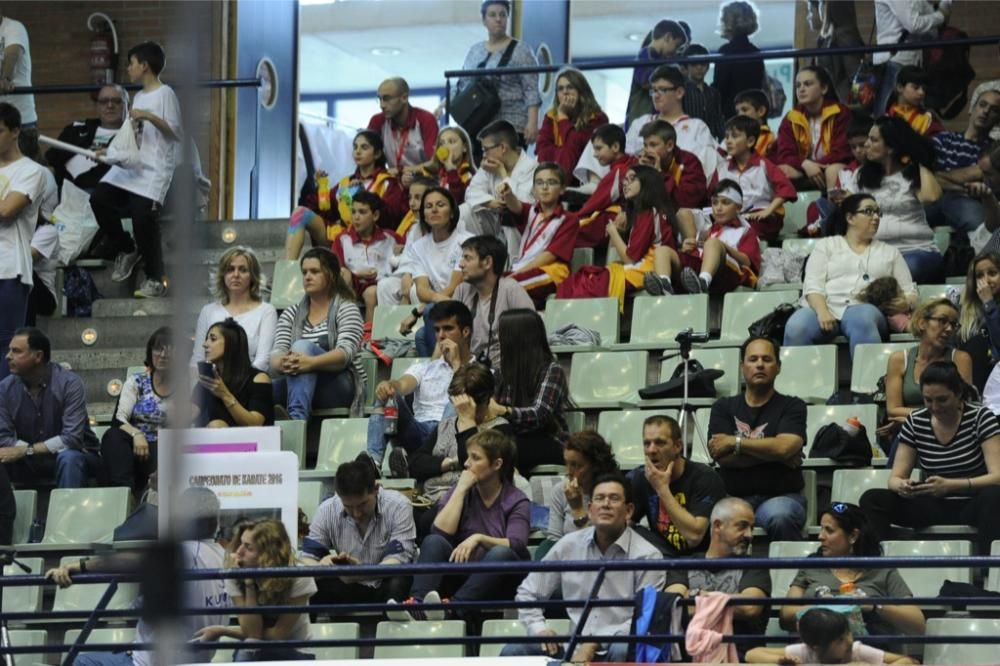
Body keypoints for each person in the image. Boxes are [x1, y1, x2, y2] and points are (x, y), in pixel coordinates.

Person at [49, 487, 231, 666]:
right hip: (192, 660)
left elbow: (129, 562)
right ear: (216, 522)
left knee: (81, 662)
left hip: (152, 662)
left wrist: (79, 566)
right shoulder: (224, 556)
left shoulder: (185, 553)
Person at [501, 473, 665, 662]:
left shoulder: (647, 556)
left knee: (624, 648)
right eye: (599, 498)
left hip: (617, 647)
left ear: (628, 511)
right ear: (590, 509)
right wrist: (540, 630)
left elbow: (643, 618)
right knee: (513, 650)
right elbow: (528, 592)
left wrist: (594, 643)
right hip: (572, 648)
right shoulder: (569, 545)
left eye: (614, 498)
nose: (605, 504)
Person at [388, 430, 529, 621]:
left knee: (500, 553)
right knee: (434, 541)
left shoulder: (516, 500)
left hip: (502, 579)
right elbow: (439, 532)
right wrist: (461, 489)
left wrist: (479, 538)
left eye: (475, 458)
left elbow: (517, 545)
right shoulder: (462, 490)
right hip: (464, 572)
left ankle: (455, 608)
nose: (466, 464)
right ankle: (418, 605)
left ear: (497, 464)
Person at [862, 361, 1000, 552]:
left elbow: (997, 476)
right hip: (933, 502)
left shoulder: (981, 417)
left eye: (942, 400)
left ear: (959, 393)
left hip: (973, 502)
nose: (934, 407)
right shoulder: (916, 420)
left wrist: (951, 485)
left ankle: (990, 571)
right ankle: (883, 566)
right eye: (928, 400)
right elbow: (894, 478)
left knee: (994, 496)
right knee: (872, 499)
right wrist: (903, 486)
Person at [89, 42, 182, 299]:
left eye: (131, 63)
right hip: (132, 167)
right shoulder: (139, 96)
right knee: (99, 198)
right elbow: (131, 135)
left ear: (145, 66)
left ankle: (155, 277)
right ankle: (127, 248)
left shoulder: (166, 94)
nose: (128, 68)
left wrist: (150, 117)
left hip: (154, 169)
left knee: (143, 219)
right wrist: (110, 152)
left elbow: (175, 133)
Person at [783, 194, 917, 357]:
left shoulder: (890, 252)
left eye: (878, 212)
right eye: (868, 211)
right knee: (797, 325)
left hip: (866, 309)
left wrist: (903, 302)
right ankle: (797, 382)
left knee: (861, 319)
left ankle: (868, 382)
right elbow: (812, 286)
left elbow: (910, 291)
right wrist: (822, 311)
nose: (876, 217)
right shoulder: (826, 245)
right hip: (825, 306)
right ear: (850, 218)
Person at [708, 336, 808, 540]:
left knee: (780, 516)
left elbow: (785, 447)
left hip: (781, 497)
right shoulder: (723, 407)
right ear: (742, 366)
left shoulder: (792, 406)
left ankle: (790, 573)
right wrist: (777, 454)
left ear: (778, 367)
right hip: (732, 497)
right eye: (753, 359)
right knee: (711, 517)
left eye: (766, 359)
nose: (759, 364)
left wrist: (735, 442)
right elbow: (721, 455)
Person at [778, 502, 926, 639]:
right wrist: (820, 607)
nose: (820, 536)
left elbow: (918, 625)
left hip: (873, 654)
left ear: (853, 536)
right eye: (821, 529)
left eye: (829, 530)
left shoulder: (882, 568)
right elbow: (785, 616)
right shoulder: (812, 565)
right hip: (819, 653)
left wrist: (875, 606)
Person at [366, 300, 475, 472]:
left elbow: (473, 401)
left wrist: (456, 364)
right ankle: (372, 464)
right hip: (417, 434)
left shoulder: (482, 371)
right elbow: (402, 384)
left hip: (451, 436)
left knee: (457, 400)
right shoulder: (425, 368)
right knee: (386, 395)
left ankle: (412, 464)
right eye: (437, 330)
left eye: (448, 328)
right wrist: (389, 385)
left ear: (466, 332)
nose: (441, 336)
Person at [559, 164, 686, 303]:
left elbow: (630, 259)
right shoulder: (651, 211)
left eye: (632, 179)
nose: (626, 183)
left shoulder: (647, 213)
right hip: (644, 267)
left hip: (648, 270)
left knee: (583, 284)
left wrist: (613, 232)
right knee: (583, 279)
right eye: (625, 180)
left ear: (647, 183)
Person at [664, 497, 771, 660]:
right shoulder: (683, 563)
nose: (749, 535)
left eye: (751, 528)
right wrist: (726, 603)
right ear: (717, 526)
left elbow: (749, 607)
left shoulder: (755, 565)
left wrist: (697, 597)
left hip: (740, 657)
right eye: (742, 526)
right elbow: (675, 604)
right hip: (691, 655)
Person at [301, 459, 416, 608]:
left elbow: (398, 561)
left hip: (385, 581)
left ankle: (393, 630)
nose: (356, 513)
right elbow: (306, 560)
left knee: (399, 581)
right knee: (309, 585)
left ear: (375, 489)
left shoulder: (399, 506)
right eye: (348, 506)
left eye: (362, 504)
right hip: (347, 585)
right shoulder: (326, 510)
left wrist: (360, 570)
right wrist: (323, 567)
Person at [199, 519, 318, 662]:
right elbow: (252, 633)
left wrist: (222, 630)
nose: (238, 552)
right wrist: (249, 582)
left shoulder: (299, 576)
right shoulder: (235, 573)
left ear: (269, 555)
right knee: (249, 648)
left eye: (248, 548)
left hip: (297, 651)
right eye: (241, 543)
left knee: (247, 650)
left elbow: (277, 636)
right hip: (255, 647)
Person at [843, 116, 943, 282]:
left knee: (907, 268)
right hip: (875, 252)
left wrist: (918, 162)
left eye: (873, 140)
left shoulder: (912, 173)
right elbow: (850, 209)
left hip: (916, 251)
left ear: (891, 147)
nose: (866, 144)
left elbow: (931, 197)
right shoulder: (862, 175)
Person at [271, 248, 367, 419]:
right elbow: (277, 352)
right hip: (300, 381)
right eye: (304, 272)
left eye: (315, 271)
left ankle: (296, 419)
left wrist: (310, 362)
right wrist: (285, 362)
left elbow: (345, 354)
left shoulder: (347, 308)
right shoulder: (291, 313)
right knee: (259, 388)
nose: (307, 277)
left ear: (330, 275)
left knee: (301, 346)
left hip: (341, 385)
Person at [0, 327, 100, 488]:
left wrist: (27, 451)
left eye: (16, 351)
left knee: (69, 458)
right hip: (29, 460)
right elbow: (3, 438)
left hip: (77, 454)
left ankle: (67, 512)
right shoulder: (5, 389)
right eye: (9, 350)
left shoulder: (69, 383)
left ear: (38, 356)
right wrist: (26, 452)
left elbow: (71, 439)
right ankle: (8, 513)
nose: (8, 356)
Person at [284, 130, 407, 260]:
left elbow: (393, 217)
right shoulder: (345, 182)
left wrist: (364, 196)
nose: (357, 151)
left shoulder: (387, 182)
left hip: (374, 241)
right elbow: (325, 211)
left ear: (377, 154)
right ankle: (287, 269)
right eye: (355, 147)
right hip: (343, 236)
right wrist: (322, 188)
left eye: (364, 147)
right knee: (299, 213)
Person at [406, 363, 511, 507]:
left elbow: (470, 464)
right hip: (430, 499)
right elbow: (415, 463)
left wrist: (468, 422)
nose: (458, 409)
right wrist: (447, 464)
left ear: (485, 400)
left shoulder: (500, 429)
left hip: (467, 503)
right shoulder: (446, 425)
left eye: (464, 405)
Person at [629, 414, 726, 557]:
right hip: (662, 557)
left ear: (678, 446)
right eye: (647, 443)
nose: (651, 450)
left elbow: (694, 537)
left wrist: (662, 489)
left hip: (700, 559)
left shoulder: (705, 477)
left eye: (660, 443)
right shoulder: (639, 478)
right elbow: (623, 523)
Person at [393, 186, 473, 357]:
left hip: (463, 304)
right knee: (420, 336)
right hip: (437, 308)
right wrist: (427, 305)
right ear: (424, 215)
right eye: (428, 207)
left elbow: (454, 287)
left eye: (440, 205)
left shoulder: (465, 241)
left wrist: (422, 309)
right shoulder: (418, 247)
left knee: (429, 316)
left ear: (452, 213)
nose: (434, 209)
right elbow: (421, 290)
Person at [488, 309, 569, 475]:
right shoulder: (501, 372)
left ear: (515, 339)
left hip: (548, 441)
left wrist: (504, 411)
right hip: (512, 438)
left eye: (501, 335)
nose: (497, 340)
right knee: (481, 447)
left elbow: (540, 413)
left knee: (498, 452)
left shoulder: (552, 370)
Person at [0, 103, 46, 381]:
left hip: (9, 267)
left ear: (15, 131)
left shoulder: (31, 170)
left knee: (7, 346)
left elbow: (7, 211)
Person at [655, 179, 762, 297]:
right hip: (701, 268)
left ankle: (703, 283)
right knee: (663, 250)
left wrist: (723, 247)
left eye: (725, 203)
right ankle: (664, 286)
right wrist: (687, 249)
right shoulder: (708, 231)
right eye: (715, 203)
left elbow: (747, 262)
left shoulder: (745, 231)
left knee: (712, 244)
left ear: (738, 207)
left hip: (730, 274)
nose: (718, 208)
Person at [457, 0, 541, 146]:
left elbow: (531, 89)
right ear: (484, 20)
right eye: (492, 15)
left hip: (512, 124)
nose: (498, 19)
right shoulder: (475, 51)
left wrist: (533, 122)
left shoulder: (522, 50)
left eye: (503, 15)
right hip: (479, 124)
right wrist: (445, 104)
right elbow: (463, 84)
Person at [102, 327, 172, 495]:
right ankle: (123, 495)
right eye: (158, 349)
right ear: (150, 352)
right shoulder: (136, 382)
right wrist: (137, 434)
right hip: (137, 447)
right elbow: (118, 420)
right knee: (112, 436)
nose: (163, 355)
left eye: (170, 350)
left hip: (169, 449)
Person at [885, 299, 973, 431]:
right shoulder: (899, 359)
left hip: (949, 428)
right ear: (922, 323)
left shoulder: (960, 359)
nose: (949, 329)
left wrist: (912, 418)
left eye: (953, 324)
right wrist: (929, 416)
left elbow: (963, 407)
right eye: (942, 321)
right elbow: (892, 410)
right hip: (910, 430)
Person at [927, 81, 1000, 240]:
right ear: (972, 109)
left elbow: (987, 186)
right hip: (933, 199)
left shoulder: (994, 151)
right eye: (982, 105)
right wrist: (971, 176)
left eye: (994, 110)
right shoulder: (943, 139)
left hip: (968, 204)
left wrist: (941, 177)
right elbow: (926, 177)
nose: (986, 111)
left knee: (981, 228)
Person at [499, 162, 578, 305]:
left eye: (552, 182)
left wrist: (517, 273)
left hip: (553, 272)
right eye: (539, 183)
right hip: (525, 270)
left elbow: (549, 256)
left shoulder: (569, 219)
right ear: (534, 190)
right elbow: (515, 205)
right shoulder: (531, 212)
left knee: (506, 288)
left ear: (562, 189)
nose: (545, 187)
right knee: (488, 284)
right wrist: (508, 193)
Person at [452, 235, 534, 371]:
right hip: (468, 372)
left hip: (507, 372)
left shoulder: (510, 289)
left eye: (467, 258)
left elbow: (532, 337)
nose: (461, 264)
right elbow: (448, 333)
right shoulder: (462, 290)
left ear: (487, 262)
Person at [712, 114, 798, 243]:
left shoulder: (764, 165)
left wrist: (768, 210)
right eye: (727, 136)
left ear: (750, 141)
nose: (728, 141)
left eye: (734, 136)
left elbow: (786, 188)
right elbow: (712, 196)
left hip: (761, 219)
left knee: (744, 232)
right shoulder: (722, 168)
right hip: (731, 218)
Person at [192, 247, 277, 373]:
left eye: (243, 270)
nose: (236, 275)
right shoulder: (208, 311)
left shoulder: (266, 311)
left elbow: (263, 361)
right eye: (230, 269)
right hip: (210, 382)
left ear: (252, 276)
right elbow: (198, 359)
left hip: (248, 384)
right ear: (223, 275)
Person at [627, 65, 718, 183]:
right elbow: (626, 159)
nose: (656, 95)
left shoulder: (697, 127)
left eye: (662, 90)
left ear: (679, 92)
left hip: (680, 189)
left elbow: (706, 168)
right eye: (653, 90)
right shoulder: (640, 123)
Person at [747, 607, 917, 664]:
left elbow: (907, 661)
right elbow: (751, 655)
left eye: (848, 633)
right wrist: (781, 661)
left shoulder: (856, 651)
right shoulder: (805, 652)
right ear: (816, 647)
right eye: (841, 639)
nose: (850, 640)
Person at [775, 65, 852, 188]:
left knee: (833, 170)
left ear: (824, 88)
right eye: (798, 85)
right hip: (803, 166)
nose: (801, 89)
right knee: (779, 171)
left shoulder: (840, 113)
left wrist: (813, 166)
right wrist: (805, 164)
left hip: (833, 165)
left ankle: (831, 207)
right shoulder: (791, 118)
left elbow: (841, 153)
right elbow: (784, 154)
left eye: (808, 84)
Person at [873, 0, 952, 117]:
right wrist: (941, 15)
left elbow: (932, 31)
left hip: (914, 62)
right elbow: (914, 25)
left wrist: (943, 5)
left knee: (912, 116)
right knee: (885, 115)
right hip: (894, 61)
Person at [331, 191, 401, 322]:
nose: (356, 217)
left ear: (375, 215)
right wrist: (357, 275)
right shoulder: (342, 239)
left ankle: (369, 337)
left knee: (372, 292)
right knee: (343, 273)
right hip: (351, 286)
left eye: (362, 212)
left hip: (380, 286)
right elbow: (334, 270)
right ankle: (343, 324)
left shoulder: (391, 238)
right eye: (353, 212)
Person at [464, 120, 537, 245]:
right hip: (495, 228)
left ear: (503, 147)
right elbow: (470, 193)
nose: (484, 155)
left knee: (509, 218)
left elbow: (522, 206)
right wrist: (489, 202)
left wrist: (502, 173)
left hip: (523, 231)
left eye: (486, 149)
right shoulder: (488, 166)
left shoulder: (532, 168)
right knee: (464, 211)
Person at [543, 431, 620, 548]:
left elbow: (601, 545)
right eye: (566, 464)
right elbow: (554, 541)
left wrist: (577, 509)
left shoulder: (611, 494)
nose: (568, 472)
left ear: (595, 465)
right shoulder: (560, 491)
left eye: (576, 465)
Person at [193, 318, 273, 428]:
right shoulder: (209, 379)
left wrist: (224, 394)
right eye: (207, 339)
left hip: (253, 443)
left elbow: (255, 423)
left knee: (216, 425)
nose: (205, 344)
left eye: (213, 339)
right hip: (215, 441)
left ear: (231, 343)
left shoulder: (259, 378)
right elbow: (191, 410)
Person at [45, 84, 126, 191]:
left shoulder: (133, 136)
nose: (110, 105)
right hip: (61, 186)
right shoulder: (77, 128)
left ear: (127, 105)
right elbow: (52, 158)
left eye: (116, 101)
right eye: (103, 101)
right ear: (97, 106)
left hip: (98, 192)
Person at [536, 68, 608, 183]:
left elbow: (579, 148)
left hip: (583, 178)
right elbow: (542, 154)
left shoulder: (597, 118)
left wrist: (563, 118)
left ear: (581, 92)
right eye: (560, 89)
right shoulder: (550, 117)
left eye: (570, 87)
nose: (565, 92)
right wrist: (562, 151)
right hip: (554, 175)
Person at [575, 123, 637, 249]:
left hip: (615, 218)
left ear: (615, 147)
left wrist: (571, 218)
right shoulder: (632, 162)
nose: (594, 154)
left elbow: (594, 204)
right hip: (628, 218)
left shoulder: (619, 171)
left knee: (566, 232)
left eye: (598, 149)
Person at [379, 175, 436, 307]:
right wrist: (406, 274)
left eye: (418, 198)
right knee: (385, 286)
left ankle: (418, 327)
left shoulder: (442, 227)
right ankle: (391, 327)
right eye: (410, 197)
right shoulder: (415, 229)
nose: (412, 203)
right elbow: (408, 259)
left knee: (416, 291)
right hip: (414, 276)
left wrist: (411, 276)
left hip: (433, 280)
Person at [625, 19, 689, 127]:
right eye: (676, 46)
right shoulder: (645, 55)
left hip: (654, 121)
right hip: (640, 120)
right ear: (668, 38)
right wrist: (672, 77)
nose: (675, 51)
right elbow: (646, 82)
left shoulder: (663, 60)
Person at [367, 77, 439, 171]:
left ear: (404, 98)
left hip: (423, 182)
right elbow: (367, 158)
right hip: (392, 181)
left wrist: (401, 171)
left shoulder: (426, 120)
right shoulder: (377, 121)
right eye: (380, 99)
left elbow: (435, 163)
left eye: (387, 99)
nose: (382, 105)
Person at [636, 119, 707, 210]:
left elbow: (686, 202)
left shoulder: (689, 162)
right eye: (645, 145)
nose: (647, 151)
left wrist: (659, 174)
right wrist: (641, 174)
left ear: (669, 145)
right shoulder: (643, 162)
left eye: (653, 145)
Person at [713, 1, 765, 121]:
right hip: (754, 113)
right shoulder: (756, 52)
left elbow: (720, 87)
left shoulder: (726, 52)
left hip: (731, 116)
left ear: (727, 22)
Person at [957, 251, 1000, 392]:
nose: (986, 281)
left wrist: (989, 304)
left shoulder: (990, 306)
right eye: (979, 276)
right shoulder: (965, 310)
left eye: (992, 273)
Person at [810, 0, 864, 104]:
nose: (820, 8)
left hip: (844, 105)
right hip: (833, 102)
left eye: (822, 3)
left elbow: (856, 76)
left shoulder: (844, 34)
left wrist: (852, 106)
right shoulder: (826, 36)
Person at [0, 11, 36, 157]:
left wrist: (5, 79)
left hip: (20, 122)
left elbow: (13, 53)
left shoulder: (14, 28)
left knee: (25, 171)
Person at [409, 126, 474, 205]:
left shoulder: (470, 178)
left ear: (464, 147)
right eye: (442, 143)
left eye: (451, 142)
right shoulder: (432, 174)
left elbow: (455, 204)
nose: (445, 147)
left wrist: (451, 169)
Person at [885, 66, 944, 137]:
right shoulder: (887, 115)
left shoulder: (927, 119)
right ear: (900, 87)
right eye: (916, 87)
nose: (921, 92)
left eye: (924, 89)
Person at [682, 43, 724, 141]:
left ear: (708, 66)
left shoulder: (714, 93)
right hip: (688, 141)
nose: (699, 67)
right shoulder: (681, 91)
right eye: (694, 64)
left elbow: (718, 120)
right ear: (686, 66)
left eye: (703, 63)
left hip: (710, 141)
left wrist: (723, 143)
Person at [26, 213, 59, 327]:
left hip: (44, 297)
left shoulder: (48, 231)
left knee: (22, 269)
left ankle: (26, 336)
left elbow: (29, 257)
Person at [733, 89, 776, 159]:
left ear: (761, 111)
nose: (740, 115)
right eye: (737, 112)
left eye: (744, 110)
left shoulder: (767, 137)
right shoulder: (735, 134)